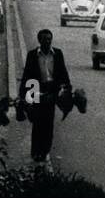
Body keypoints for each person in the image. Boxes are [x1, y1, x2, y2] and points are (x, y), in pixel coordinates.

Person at [19, 28, 72, 163]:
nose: (47, 42)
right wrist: (25, 97)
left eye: (49, 39)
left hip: (51, 91)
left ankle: (45, 151)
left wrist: (66, 90)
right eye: (44, 39)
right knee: (37, 123)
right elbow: (27, 75)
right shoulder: (33, 55)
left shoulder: (57, 54)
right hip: (37, 90)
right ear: (39, 41)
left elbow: (63, 73)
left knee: (48, 124)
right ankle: (36, 152)